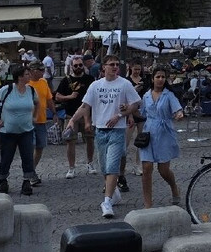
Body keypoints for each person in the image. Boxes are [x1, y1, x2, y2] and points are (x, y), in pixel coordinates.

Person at [66, 54, 141, 219]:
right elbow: (85, 106)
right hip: (99, 130)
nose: (115, 67)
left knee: (113, 165)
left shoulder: (124, 84)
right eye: (111, 64)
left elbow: (136, 103)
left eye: (116, 64)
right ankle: (114, 193)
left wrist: (122, 114)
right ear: (103, 68)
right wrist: (72, 120)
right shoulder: (95, 86)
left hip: (117, 130)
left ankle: (106, 202)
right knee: (105, 168)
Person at [137, 65, 185, 208]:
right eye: (157, 76)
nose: (160, 79)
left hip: (164, 133)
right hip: (148, 132)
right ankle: (148, 203)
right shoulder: (146, 95)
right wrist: (129, 112)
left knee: (163, 170)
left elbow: (178, 110)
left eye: (163, 77)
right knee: (146, 168)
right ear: (152, 79)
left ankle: (174, 187)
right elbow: (142, 113)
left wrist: (179, 115)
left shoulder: (169, 95)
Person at [0, 64, 39, 196]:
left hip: (26, 130)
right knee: (6, 157)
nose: (30, 76)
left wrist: (35, 116)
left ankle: (26, 181)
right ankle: (3, 180)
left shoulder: (31, 91)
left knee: (27, 157)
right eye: (27, 74)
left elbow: (37, 103)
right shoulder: (7, 89)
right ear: (20, 77)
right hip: (8, 132)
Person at [54, 55, 97, 178]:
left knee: (89, 139)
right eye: (76, 65)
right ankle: (71, 167)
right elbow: (57, 96)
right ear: (71, 67)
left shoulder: (90, 79)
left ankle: (90, 163)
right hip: (70, 115)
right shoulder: (66, 80)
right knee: (70, 141)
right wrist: (69, 97)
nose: (78, 67)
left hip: (87, 115)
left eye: (80, 65)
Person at [27, 63, 56, 183]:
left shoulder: (43, 82)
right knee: (30, 147)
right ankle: (29, 173)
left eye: (43, 69)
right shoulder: (27, 84)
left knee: (40, 146)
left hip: (41, 120)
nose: (43, 72)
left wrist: (54, 113)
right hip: (28, 121)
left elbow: (49, 99)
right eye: (40, 70)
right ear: (33, 71)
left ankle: (31, 170)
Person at [124, 62, 149, 179]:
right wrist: (135, 89)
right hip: (130, 114)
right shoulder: (127, 81)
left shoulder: (145, 81)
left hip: (142, 114)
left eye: (139, 69)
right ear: (131, 68)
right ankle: (121, 165)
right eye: (135, 69)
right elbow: (125, 97)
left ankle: (137, 165)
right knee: (126, 141)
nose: (137, 71)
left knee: (141, 140)